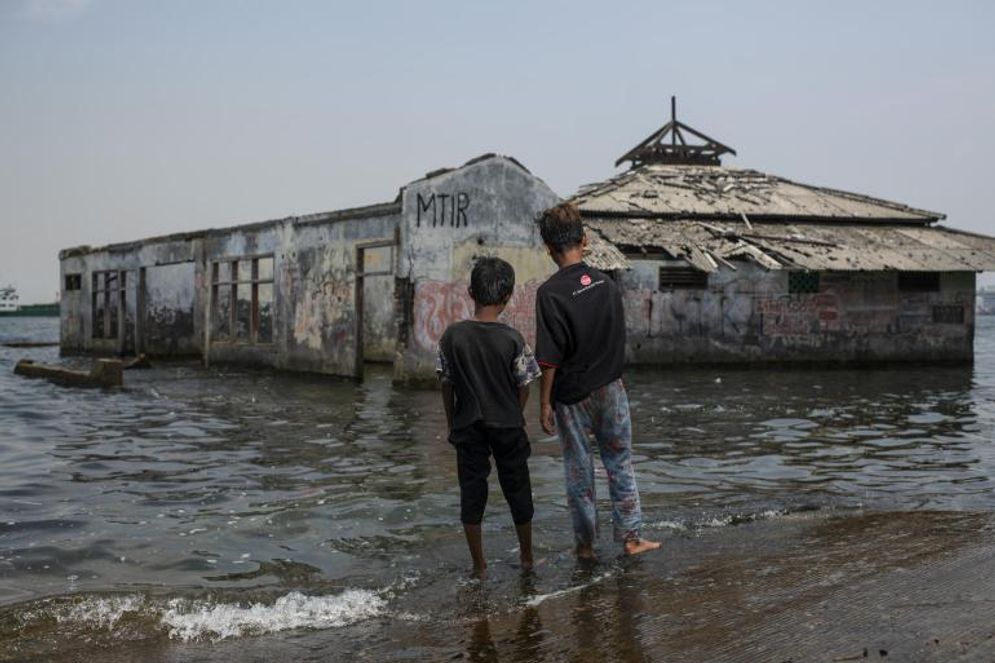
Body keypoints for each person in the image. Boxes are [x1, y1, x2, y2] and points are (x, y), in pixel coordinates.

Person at [534, 202, 661, 560]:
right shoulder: (606, 285)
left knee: (579, 470)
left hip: (572, 396)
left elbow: (549, 356)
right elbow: (616, 338)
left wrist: (545, 403)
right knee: (619, 462)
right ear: (584, 240)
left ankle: (585, 546)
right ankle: (632, 538)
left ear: (548, 248)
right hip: (611, 388)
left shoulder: (550, 293)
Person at [437, 256, 542, 576]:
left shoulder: (451, 337)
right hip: (508, 424)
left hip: (468, 425)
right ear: (508, 296)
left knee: (472, 492)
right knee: (518, 489)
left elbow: (446, 384)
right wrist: (515, 410)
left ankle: (479, 564)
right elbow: (525, 384)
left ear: (470, 292)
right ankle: (526, 557)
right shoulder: (513, 339)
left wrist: (451, 421)